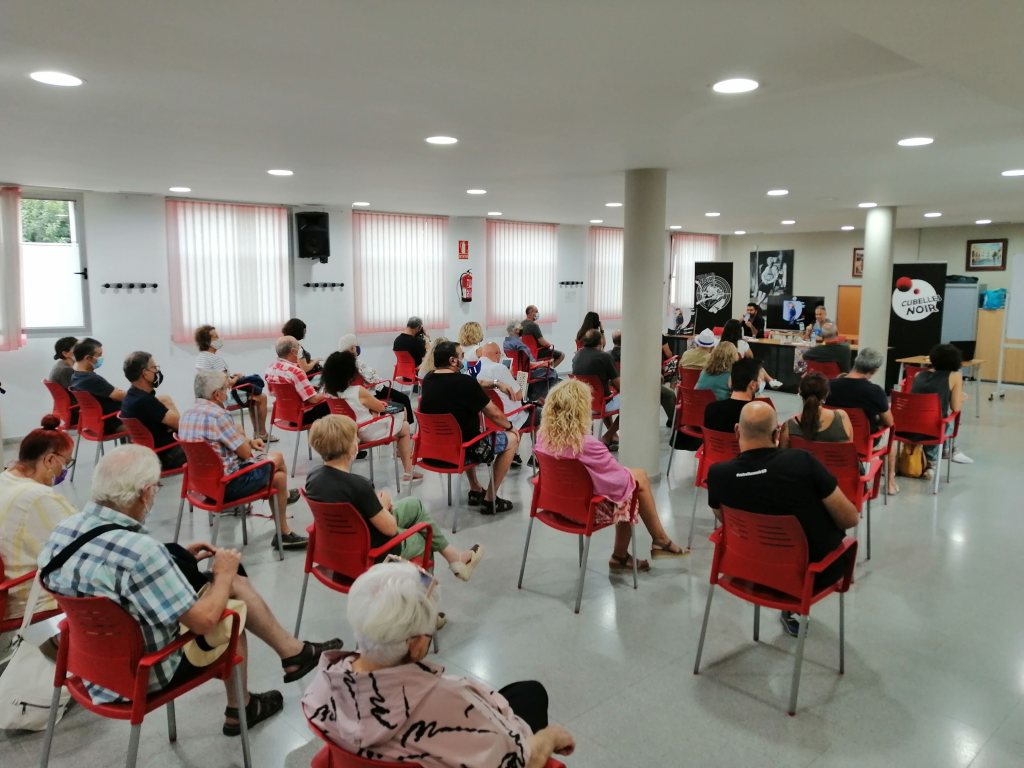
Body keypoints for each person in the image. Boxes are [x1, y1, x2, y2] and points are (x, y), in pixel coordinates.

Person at [39, 446, 342, 735]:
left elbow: (108, 576)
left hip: (88, 666)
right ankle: (242, 707)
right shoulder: (142, 552)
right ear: (146, 492)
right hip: (144, 672)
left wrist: (174, 559)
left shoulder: (63, 531)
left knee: (229, 585)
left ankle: (292, 652)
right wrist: (223, 573)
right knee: (230, 610)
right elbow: (203, 621)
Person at [302, 561, 575, 768]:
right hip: (476, 738)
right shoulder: (452, 703)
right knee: (532, 694)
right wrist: (549, 738)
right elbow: (518, 758)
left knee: (523, 693)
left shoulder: (322, 686)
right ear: (416, 644)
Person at [706, 401, 859, 636]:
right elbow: (849, 519)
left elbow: (726, 520)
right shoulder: (802, 463)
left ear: (737, 430)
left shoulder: (717, 475)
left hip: (746, 570)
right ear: (777, 433)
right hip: (808, 576)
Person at [535, 379, 687, 571]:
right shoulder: (587, 445)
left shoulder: (543, 438)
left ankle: (653, 542)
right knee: (633, 489)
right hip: (583, 512)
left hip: (555, 506)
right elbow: (621, 484)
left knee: (637, 477)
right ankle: (639, 548)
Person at [305, 415, 483, 579]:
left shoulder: (313, 478)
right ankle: (423, 598)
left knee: (414, 505)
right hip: (373, 552)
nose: (357, 441)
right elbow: (390, 529)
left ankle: (454, 557)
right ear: (349, 447)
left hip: (339, 546)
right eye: (354, 438)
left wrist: (375, 505)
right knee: (424, 538)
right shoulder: (359, 486)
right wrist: (383, 504)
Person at [179, 370, 308, 550]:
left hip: (202, 487)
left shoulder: (186, 415)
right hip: (228, 486)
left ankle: (283, 530)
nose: (228, 392)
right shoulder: (218, 415)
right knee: (277, 458)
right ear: (216, 394)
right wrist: (246, 443)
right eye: (226, 388)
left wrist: (246, 440)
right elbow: (246, 454)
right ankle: (284, 507)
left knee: (278, 479)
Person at [419, 341, 520, 514]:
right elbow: (494, 414)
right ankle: (491, 499)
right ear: (452, 360)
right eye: (461, 356)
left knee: (465, 432)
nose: (464, 360)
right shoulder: (464, 383)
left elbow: (470, 382)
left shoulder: (428, 379)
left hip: (433, 453)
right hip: (461, 453)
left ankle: (475, 489)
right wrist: (511, 427)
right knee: (512, 439)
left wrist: (495, 383)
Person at [0, 415, 77, 622]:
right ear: (50, 460)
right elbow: (82, 540)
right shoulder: (38, 497)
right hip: (27, 598)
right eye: (66, 463)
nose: (64, 470)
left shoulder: (4, 480)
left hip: (7, 588)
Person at [321, 350, 422, 483]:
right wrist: (376, 408)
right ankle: (408, 471)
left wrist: (373, 409)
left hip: (345, 431)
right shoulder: (357, 391)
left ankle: (401, 453)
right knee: (404, 424)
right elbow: (381, 408)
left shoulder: (326, 391)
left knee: (399, 423)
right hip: (365, 432)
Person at [827, 347, 899, 494]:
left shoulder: (829, 385)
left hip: (832, 437)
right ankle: (890, 483)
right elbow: (889, 423)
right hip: (863, 443)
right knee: (892, 437)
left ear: (856, 362)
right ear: (874, 370)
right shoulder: (875, 391)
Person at [194, 324, 272, 441]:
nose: (219, 339)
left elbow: (215, 378)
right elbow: (227, 383)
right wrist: (237, 378)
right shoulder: (215, 359)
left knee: (253, 397)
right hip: (224, 397)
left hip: (209, 397)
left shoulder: (200, 358)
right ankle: (262, 434)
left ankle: (258, 433)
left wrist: (231, 377)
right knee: (261, 397)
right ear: (207, 342)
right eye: (215, 337)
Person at [119, 351, 187, 470]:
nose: (157, 371)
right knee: (212, 442)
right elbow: (181, 425)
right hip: (168, 455)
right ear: (145, 373)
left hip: (151, 454)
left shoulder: (130, 397)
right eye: (154, 368)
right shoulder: (145, 401)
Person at [478, 340, 538, 468]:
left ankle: (514, 454)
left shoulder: (471, 371)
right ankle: (536, 457)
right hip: (507, 418)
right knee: (539, 415)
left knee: (522, 412)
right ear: (497, 354)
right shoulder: (500, 368)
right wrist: (512, 380)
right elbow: (519, 396)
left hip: (485, 420)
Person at [911, 343, 972, 467]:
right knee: (946, 420)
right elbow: (955, 408)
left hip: (910, 426)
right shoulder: (955, 376)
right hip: (934, 428)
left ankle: (946, 451)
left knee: (930, 417)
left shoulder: (918, 375)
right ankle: (946, 452)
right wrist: (961, 398)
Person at [337, 333, 414, 425]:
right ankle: (408, 425)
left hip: (358, 393)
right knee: (404, 398)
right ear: (353, 349)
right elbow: (374, 380)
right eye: (356, 347)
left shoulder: (340, 364)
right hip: (373, 390)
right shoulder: (357, 363)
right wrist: (375, 373)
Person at [609, 329, 676, 426]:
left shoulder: (607, 355)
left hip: (617, 391)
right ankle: (674, 423)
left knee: (659, 392)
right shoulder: (631, 355)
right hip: (638, 388)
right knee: (669, 394)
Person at [571, 329, 620, 448]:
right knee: (631, 402)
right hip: (600, 404)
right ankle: (607, 436)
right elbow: (619, 385)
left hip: (584, 403)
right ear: (601, 341)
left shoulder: (577, 355)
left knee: (604, 396)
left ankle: (613, 436)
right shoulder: (604, 357)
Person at [265, 335, 330, 424]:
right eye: (298, 346)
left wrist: (298, 393)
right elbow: (314, 400)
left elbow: (273, 393)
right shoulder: (296, 372)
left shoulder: (270, 368)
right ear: (293, 351)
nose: (300, 349)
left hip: (283, 415)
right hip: (300, 416)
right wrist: (328, 392)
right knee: (331, 401)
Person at [779, 372, 852, 446]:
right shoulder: (842, 417)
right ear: (826, 394)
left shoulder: (789, 426)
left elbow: (782, 452)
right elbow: (850, 450)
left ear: (800, 391)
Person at [69, 337, 125, 434]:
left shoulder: (76, 377)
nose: (101, 358)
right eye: (99, 355)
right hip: (113, 422)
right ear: (88, 358)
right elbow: (120, 396)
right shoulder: (91, 379)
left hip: (97, 422)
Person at [703, 357, 763, 433]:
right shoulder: (758, 415)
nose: (762, 381)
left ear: (731, 381)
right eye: (761, 378)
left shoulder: (711, 409)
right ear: (753, 385)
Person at [720, 319, 781, 390]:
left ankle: (770, 380)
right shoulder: (742, 344)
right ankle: (770, 380)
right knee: (755, 364)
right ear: (739, 331)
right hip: (738, 373)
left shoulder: (719, 343)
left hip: (722, 371)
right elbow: (751, 357)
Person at [504, 319, 558, 399]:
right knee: (552, 372)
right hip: (526, 372)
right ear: (516, 330)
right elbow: (528, 364)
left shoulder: (506, 342)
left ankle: (534, 396)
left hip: (515, 372)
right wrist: (544, 363)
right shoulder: (520, 345)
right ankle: (541, 398)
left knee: (543, 369)